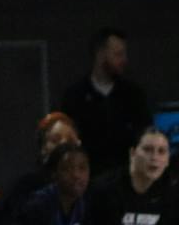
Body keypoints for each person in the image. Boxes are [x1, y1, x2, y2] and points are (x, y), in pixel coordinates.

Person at [59, 27, 151, 157]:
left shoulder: (133, 94)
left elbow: (145, 135)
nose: (124, 60)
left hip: (126, 171)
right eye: (118, 54)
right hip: (89, 173)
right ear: (100, 54)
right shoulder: (75, 96)